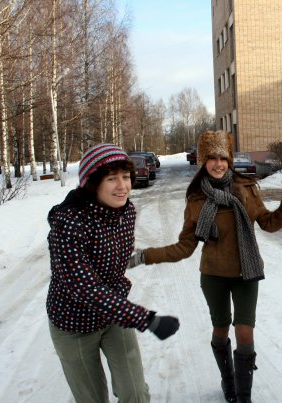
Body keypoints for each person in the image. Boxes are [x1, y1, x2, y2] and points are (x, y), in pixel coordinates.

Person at [128, 130, 282, 403]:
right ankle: (228, 381)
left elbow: (269, 223)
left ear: (229, 160)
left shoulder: (246, 189)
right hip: (213, 276)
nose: (218, 164)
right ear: (203, 161)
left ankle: (243, 396)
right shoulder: (197, 199)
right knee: (220, 329)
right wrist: (144, 256)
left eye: (223, 158)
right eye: (212, 158)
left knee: (244, 332)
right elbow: (184, 247)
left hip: (246, 273)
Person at [47, 143, 180, 403]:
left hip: (113, 316)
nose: (122, 186)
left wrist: (143, 257)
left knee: (135, 393)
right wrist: (148, 320)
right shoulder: (69, 223)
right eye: (111, 178)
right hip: (73, 323)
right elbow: (85, 287)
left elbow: (113, 258)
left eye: (126, 177)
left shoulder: (126, 212)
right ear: (92, 183)